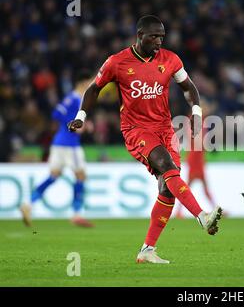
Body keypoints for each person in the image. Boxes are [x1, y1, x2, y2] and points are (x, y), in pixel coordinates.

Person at [67, 15, 223, 264]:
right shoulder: (117, 62)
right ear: (139, 36)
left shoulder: (170, 59)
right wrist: (81, 115)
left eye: (162, 36)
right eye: (154, 36)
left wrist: (195, 113)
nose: (159, 41)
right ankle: (202, 216)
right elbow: (94, 88)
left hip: (165, 129)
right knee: (169, 168)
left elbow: (189, 87)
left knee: (167, 189)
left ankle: (147, 250)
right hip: (136, 130)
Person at [20, 70, 95, 228]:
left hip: (58, 143)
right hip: (70, 145)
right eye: (90, 82)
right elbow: (58, 115)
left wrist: (73, 123)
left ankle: (28, 203)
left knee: (54, 175)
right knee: (80, 176)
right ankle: (76, 213)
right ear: (82, 83)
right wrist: (76, 125)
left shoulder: (71, 98)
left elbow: (57, 114)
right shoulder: (76, 99)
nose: (91, 85)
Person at [174, 100, 217, 218]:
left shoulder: (199, 121)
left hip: (198, 157)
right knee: (191, 187)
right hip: (195, 158)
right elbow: (195, 139)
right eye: (205, 107)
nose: (207, 109)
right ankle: (178, 211)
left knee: (197, 186)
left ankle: (179, 211)